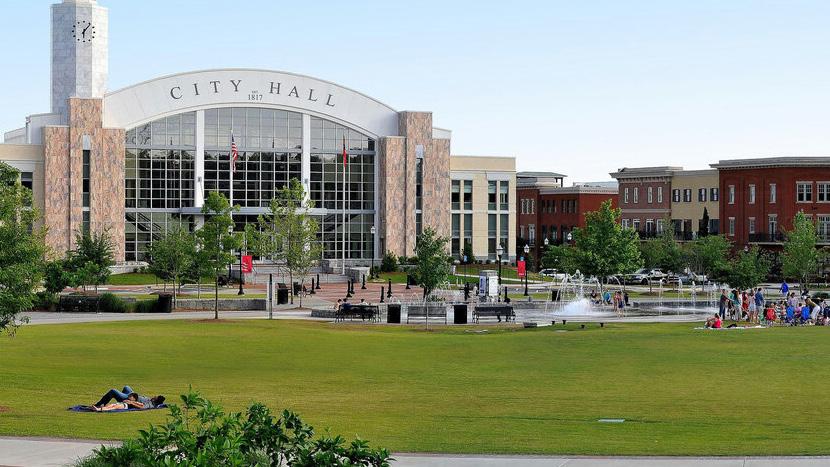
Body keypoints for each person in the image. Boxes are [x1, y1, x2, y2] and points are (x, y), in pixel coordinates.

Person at [93, 386, 164, 410]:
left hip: (129, 399)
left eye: (156, 397)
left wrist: (131, 402)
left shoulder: (150, 404)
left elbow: (142, 407)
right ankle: (120, 400)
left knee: (113, 391)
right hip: (132, 395)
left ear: (156, 400)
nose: (154, 396)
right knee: (126, 387)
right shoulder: (151, 400)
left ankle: (99, 404)